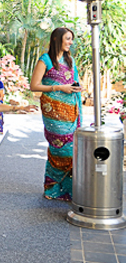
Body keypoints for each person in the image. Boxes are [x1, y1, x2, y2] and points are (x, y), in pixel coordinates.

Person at [30, 27, 81, 201]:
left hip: (70, 110)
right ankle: (52, 188)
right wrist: (59, 87)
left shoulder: (70, 61)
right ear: (57, 39)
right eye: (68, 39)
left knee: (72, 148)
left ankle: (67, 189)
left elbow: (72, 82)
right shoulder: (45, 60)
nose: (70, 42)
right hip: (53, 112)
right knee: (60, 148)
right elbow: (34, 86)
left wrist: (75, 88)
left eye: (71, 39)